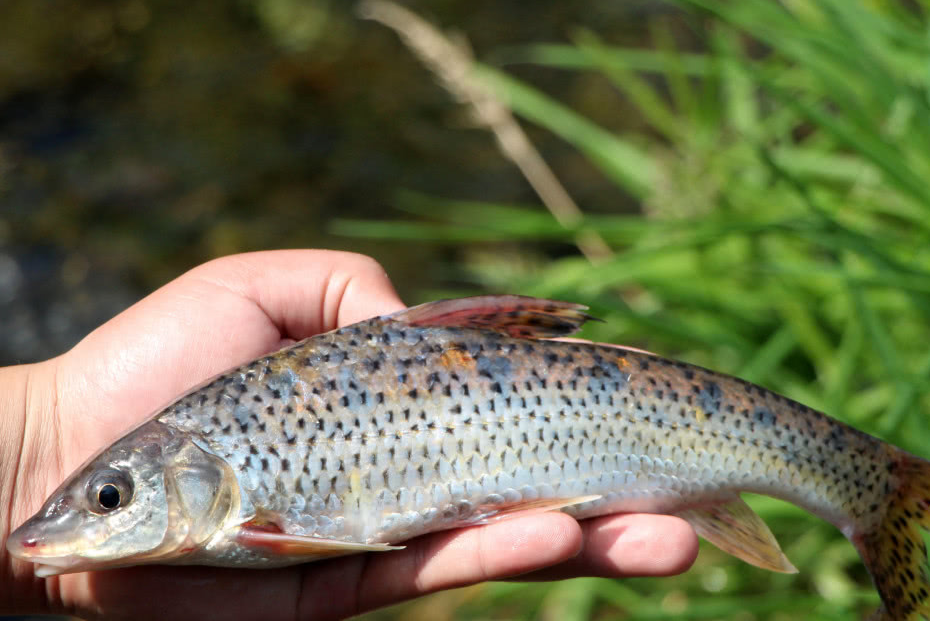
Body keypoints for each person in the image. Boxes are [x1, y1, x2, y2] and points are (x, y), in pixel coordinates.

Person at [1, 250, 697, 620]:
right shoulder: (199, 457)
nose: (34, 542)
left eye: (109, 495)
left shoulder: (234, 498)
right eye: (111, 496)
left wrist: (45, 425)